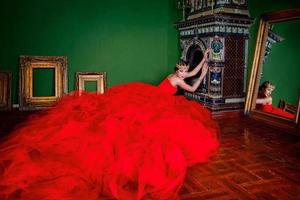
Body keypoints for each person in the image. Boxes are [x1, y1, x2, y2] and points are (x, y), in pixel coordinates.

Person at [0, 49, 219, 200]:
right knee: (139, 123)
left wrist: (204, 62)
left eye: (183, 70)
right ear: (177, 70)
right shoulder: (179, 78)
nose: (182, 73)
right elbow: (191, 85)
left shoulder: (176, 74)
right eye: (181, 70)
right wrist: (203, 74)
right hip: (156, 99)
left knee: (127, 116)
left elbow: (191, 72)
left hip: (152, 94)